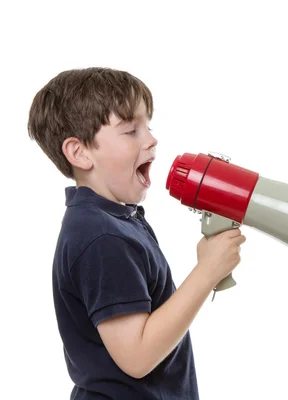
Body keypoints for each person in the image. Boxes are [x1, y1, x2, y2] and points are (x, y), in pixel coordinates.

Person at [28, 67, 246, 399]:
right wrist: (206, 272)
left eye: (148, 126)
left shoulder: (116, 218)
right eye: (131, 130)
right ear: (80, 153)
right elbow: (137, 357)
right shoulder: (102, 237)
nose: (151, 139)